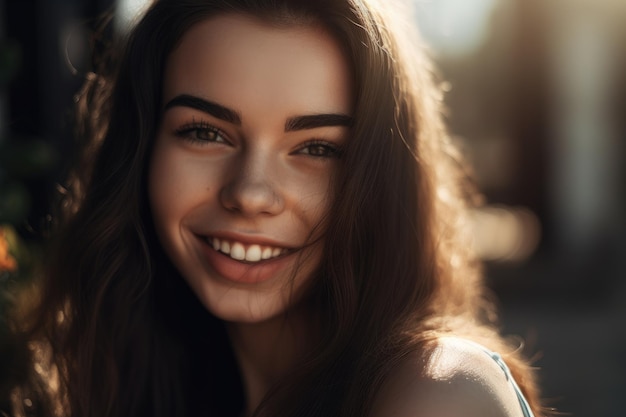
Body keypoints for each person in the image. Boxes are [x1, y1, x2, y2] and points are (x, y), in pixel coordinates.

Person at [8, 0, 546, 416]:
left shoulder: (437, 392)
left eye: (316, 148)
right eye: (204, 132)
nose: (250, 192)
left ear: (381, 180)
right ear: (141, 151)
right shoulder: (130, 381)